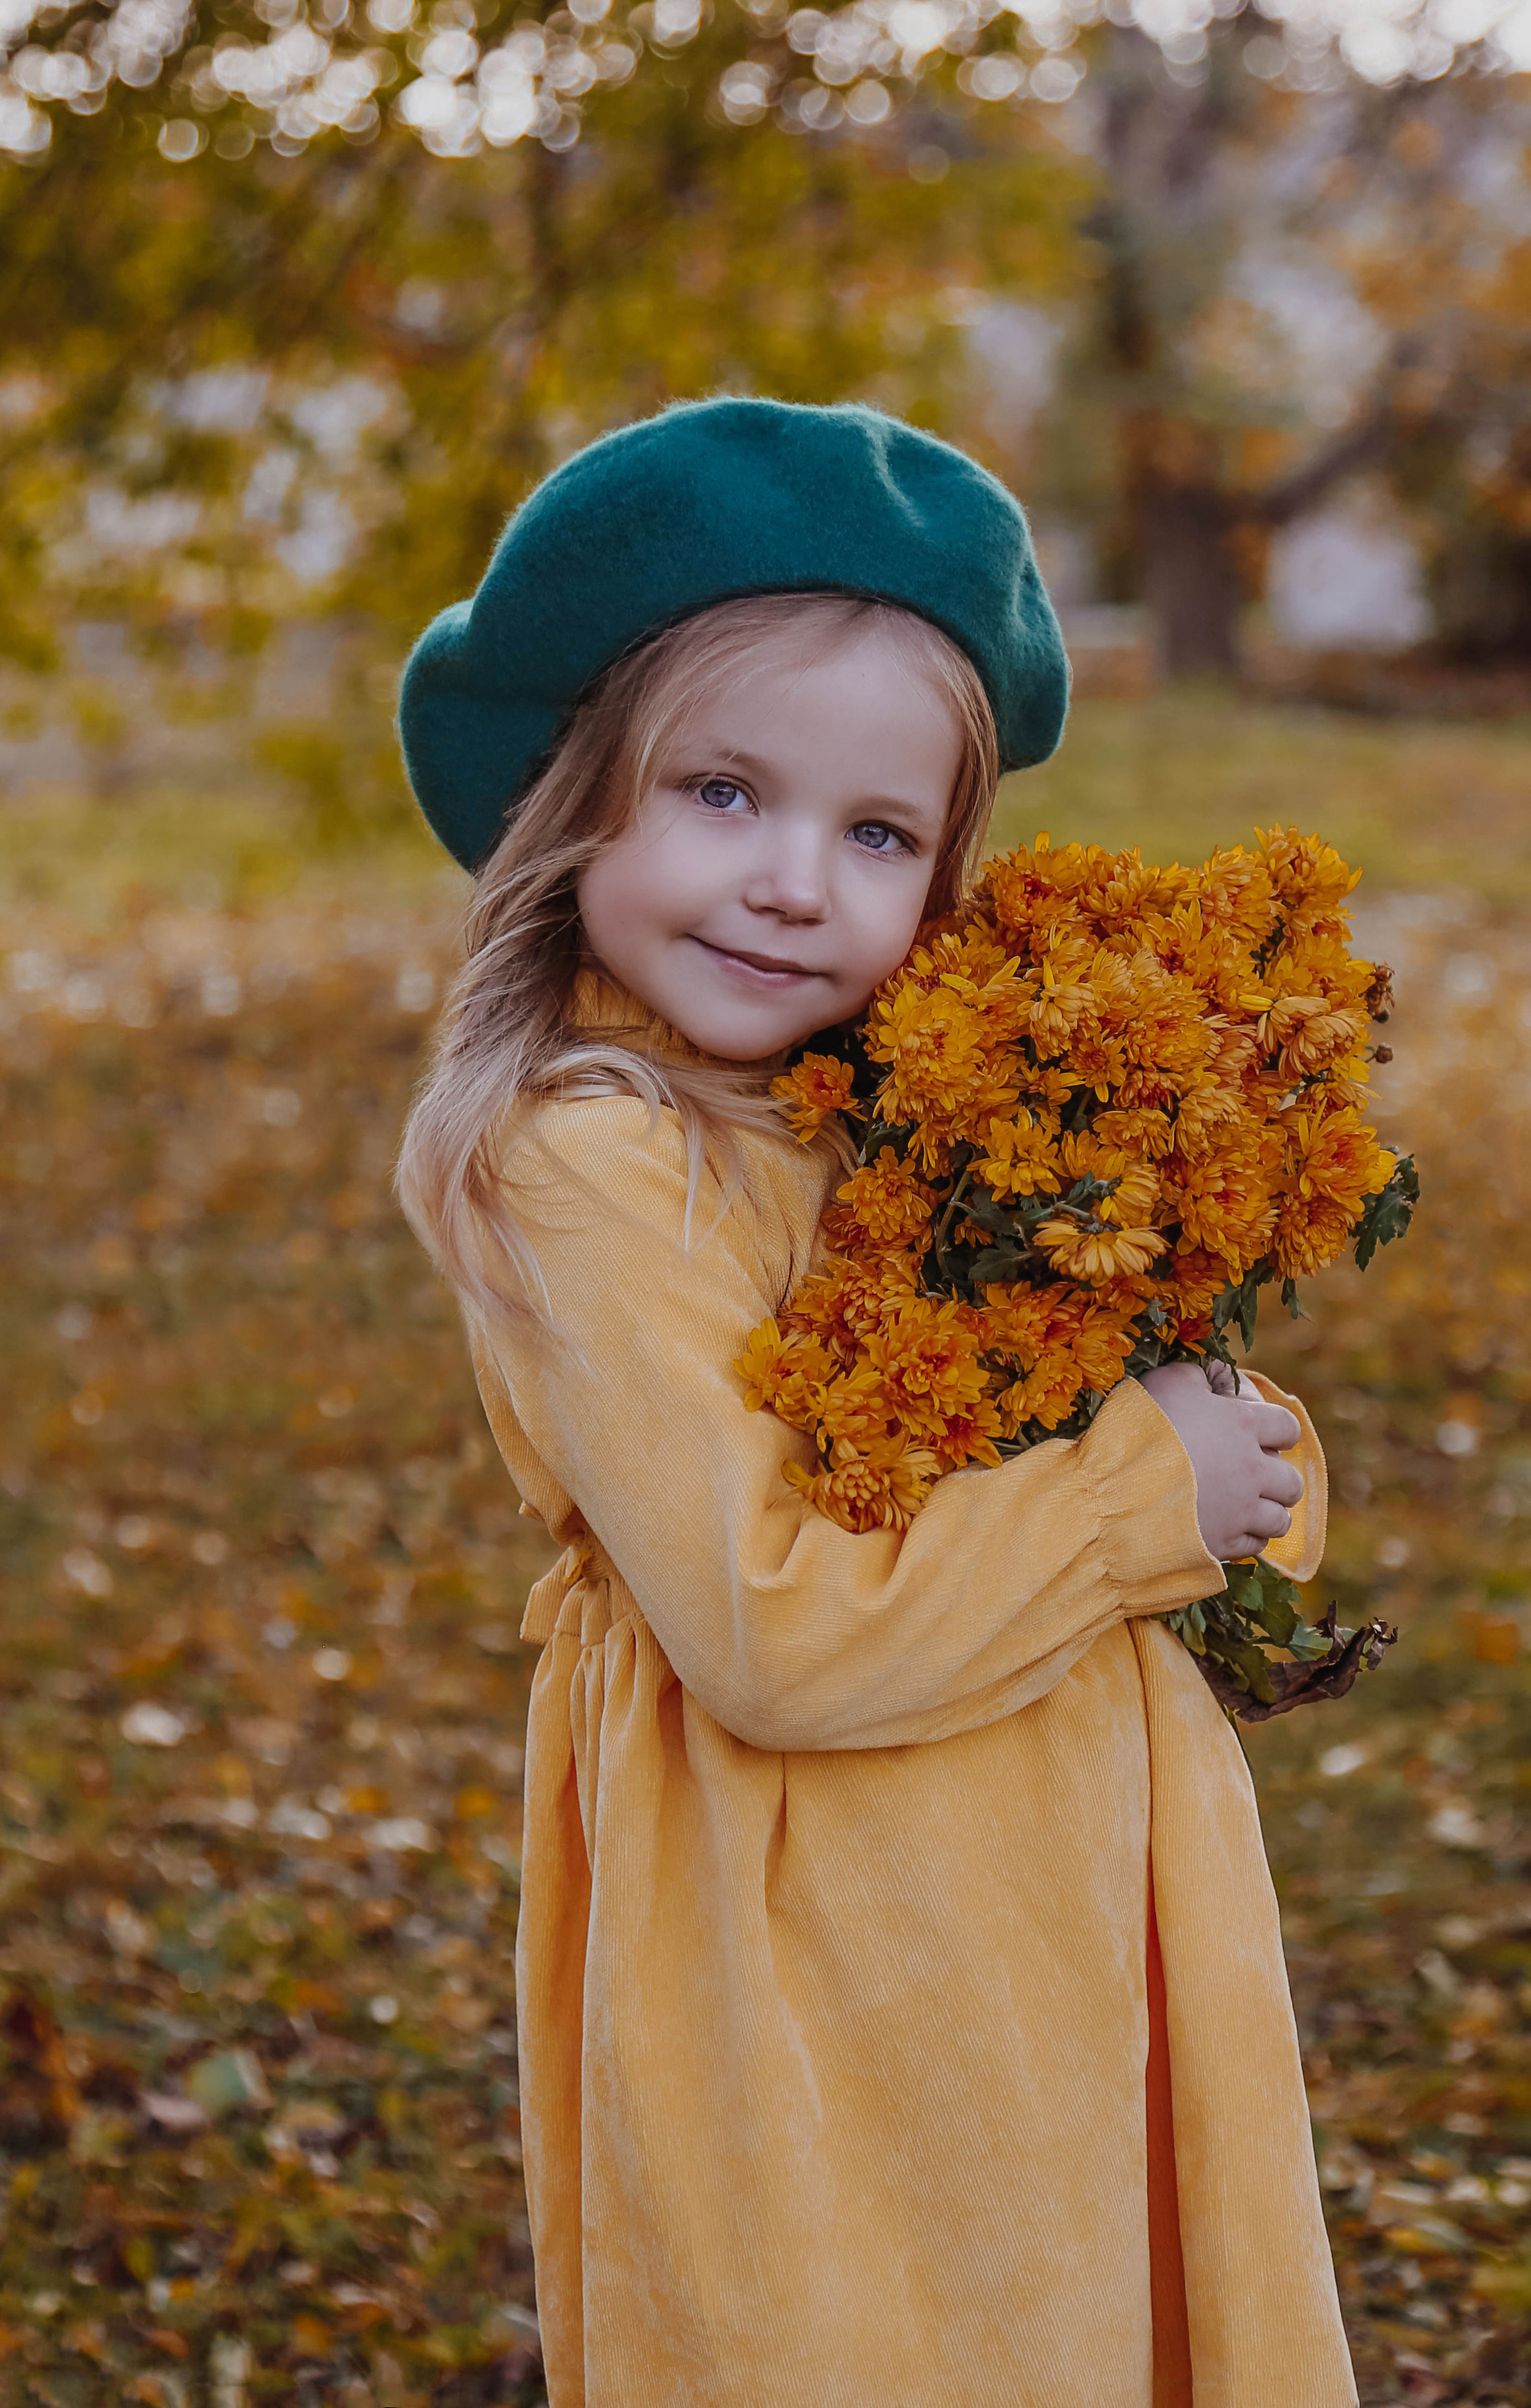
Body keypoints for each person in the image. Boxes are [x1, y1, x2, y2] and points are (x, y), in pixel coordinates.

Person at [395, 398, 1357, 2408]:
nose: (792, 888)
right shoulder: (593, 1158)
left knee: (1084, 2318)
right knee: (878, 2338)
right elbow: (774, 1638)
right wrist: (1132, 1509)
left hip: (1062, 1906)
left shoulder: (919, 1102)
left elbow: (1164, 1454)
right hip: (820, 1935)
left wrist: (1228, 1467)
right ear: (579, 800)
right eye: (723, 793)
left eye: (877, 835)